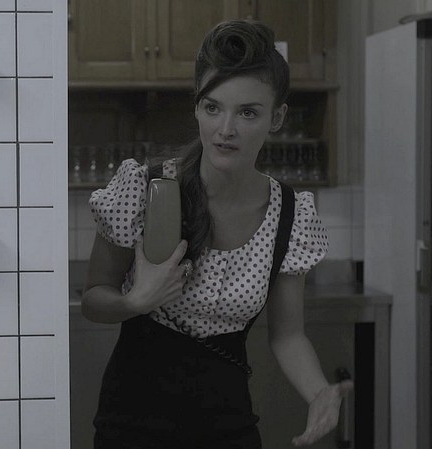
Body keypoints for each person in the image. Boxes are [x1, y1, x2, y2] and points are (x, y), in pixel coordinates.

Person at [81, 19, 354, 449]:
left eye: (247, 112)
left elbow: (288, 334)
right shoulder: (146, 189)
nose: (226, 129)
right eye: (213, 107)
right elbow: (94, 298)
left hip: (227, 424)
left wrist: (320, 392)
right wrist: (136, 301)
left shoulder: (290, 216)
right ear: (196, 107)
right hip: (131, 423)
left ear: (277, 117)